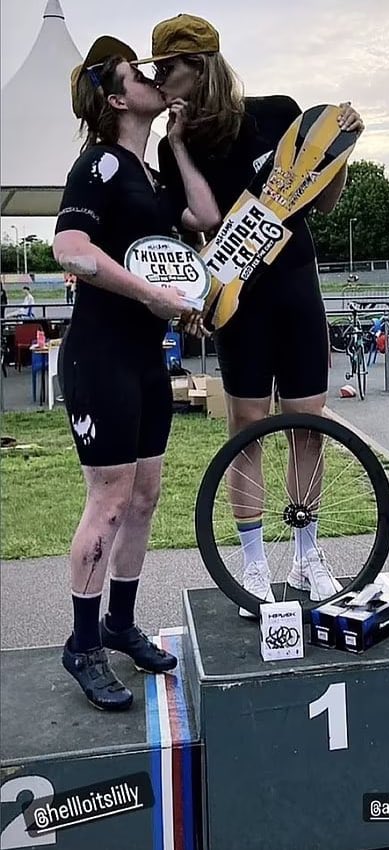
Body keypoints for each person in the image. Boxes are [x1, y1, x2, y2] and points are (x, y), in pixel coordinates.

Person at [137, 14, 365, 614]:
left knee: (306, 426)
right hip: (238, 299)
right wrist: (181, 145)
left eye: (169, 68)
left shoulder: (276, 111)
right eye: (157, 70)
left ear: (201, 64)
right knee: (245, 429)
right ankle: (254, 563)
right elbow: (206, 220)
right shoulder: (172, 143)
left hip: (295, 288)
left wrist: (339, 156)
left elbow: (316, 194)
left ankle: (307, 554)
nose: (162, 81)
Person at [52, 35, 220, 711]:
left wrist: (178, 144)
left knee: (145, 498)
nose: (156, 78)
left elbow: (206, 219)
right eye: (139, 74)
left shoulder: (148, 174)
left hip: (147, 357)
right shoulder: (97, 164)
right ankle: (83, 643)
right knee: (110, 501)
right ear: (119, 98)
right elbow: (70, 247)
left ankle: (120, 623)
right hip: (99, 355)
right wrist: (151, 296)